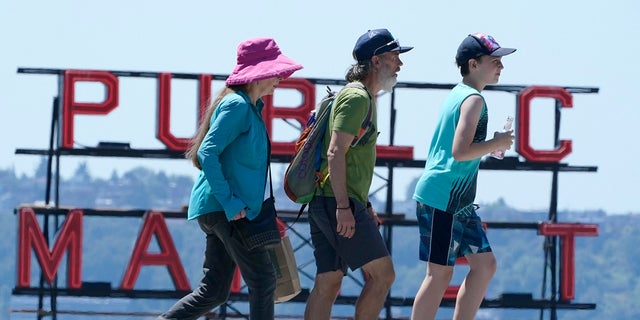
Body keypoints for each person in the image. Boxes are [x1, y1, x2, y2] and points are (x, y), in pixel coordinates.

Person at [157, 37, 302, 320]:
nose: (281, 79)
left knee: (215, 291)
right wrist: (231, 202)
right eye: (278, 72)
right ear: (261, 73)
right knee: (263, 279)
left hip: (220, 209)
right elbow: (207, 152)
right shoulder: (237, 106)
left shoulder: (247, 107)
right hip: (227, 210)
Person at [304, 29, 413, 320]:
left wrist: (363, 205)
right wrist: (344, 207)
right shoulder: (357, 97)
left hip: (331, 200)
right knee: (383, 276)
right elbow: (335, 152)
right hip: (336, 203)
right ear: (376, 61)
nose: (400, 65)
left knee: (328, 280)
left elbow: (345, 157)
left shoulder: (360, 96)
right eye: (395, 57)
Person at [411, 32, 516, 320]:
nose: (501, 67)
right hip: (443, 196)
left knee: (485, 265)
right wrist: (496, 144)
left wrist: (492, 143)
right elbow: (460, 151)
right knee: (439, 274)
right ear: (473, 63)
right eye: (495, 61)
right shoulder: (473, 99)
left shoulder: (461, 94)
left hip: (457, 201)